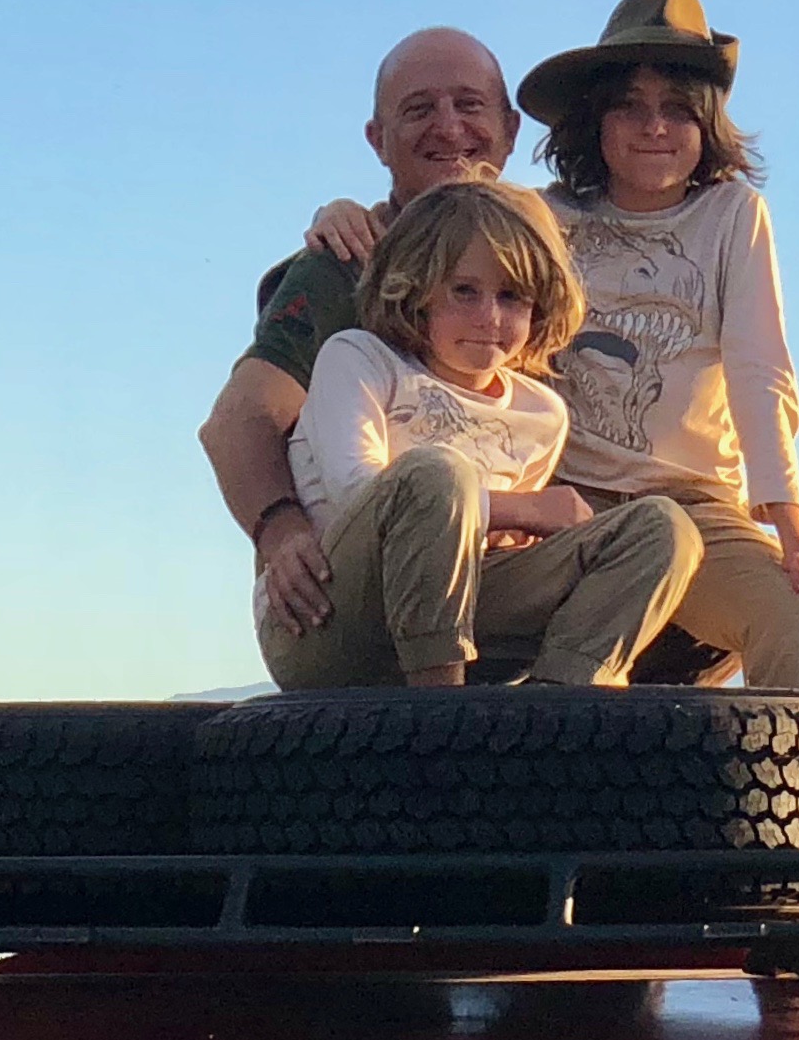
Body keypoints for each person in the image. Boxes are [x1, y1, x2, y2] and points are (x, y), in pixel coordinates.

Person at [306, 0, 799, 698]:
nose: (653, 127)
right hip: (559, 497)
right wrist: (343, 211)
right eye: (629, 106)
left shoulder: (732, 215)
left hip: (690, 502)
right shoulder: (543, 213)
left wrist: (790, 528)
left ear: (707, 122)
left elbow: (761, 371)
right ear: (594, 119)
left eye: (677, 109)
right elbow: (444, 229)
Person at [261, 180, 699, 691]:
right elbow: (355, 490)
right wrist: (522, 508)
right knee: (437, 472)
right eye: (464, 292)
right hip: (327, 619)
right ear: (416, 290)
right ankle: (441, 704)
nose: (489, 318)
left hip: (471, 611)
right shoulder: (360, 359)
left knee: (663, 526)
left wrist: (512, 529)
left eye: (511, 296)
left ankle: (564, 703)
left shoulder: (542, 413)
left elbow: (502, 545)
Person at [201, 28, 519, 649]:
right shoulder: (343, 266)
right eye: (419, 110)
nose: (448, 127)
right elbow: (238, 420)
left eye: (469, 105)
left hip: (503, 585)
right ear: (378, 140)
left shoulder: (542, 259)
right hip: (362, 598)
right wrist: (281, 530)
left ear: (509, 129)